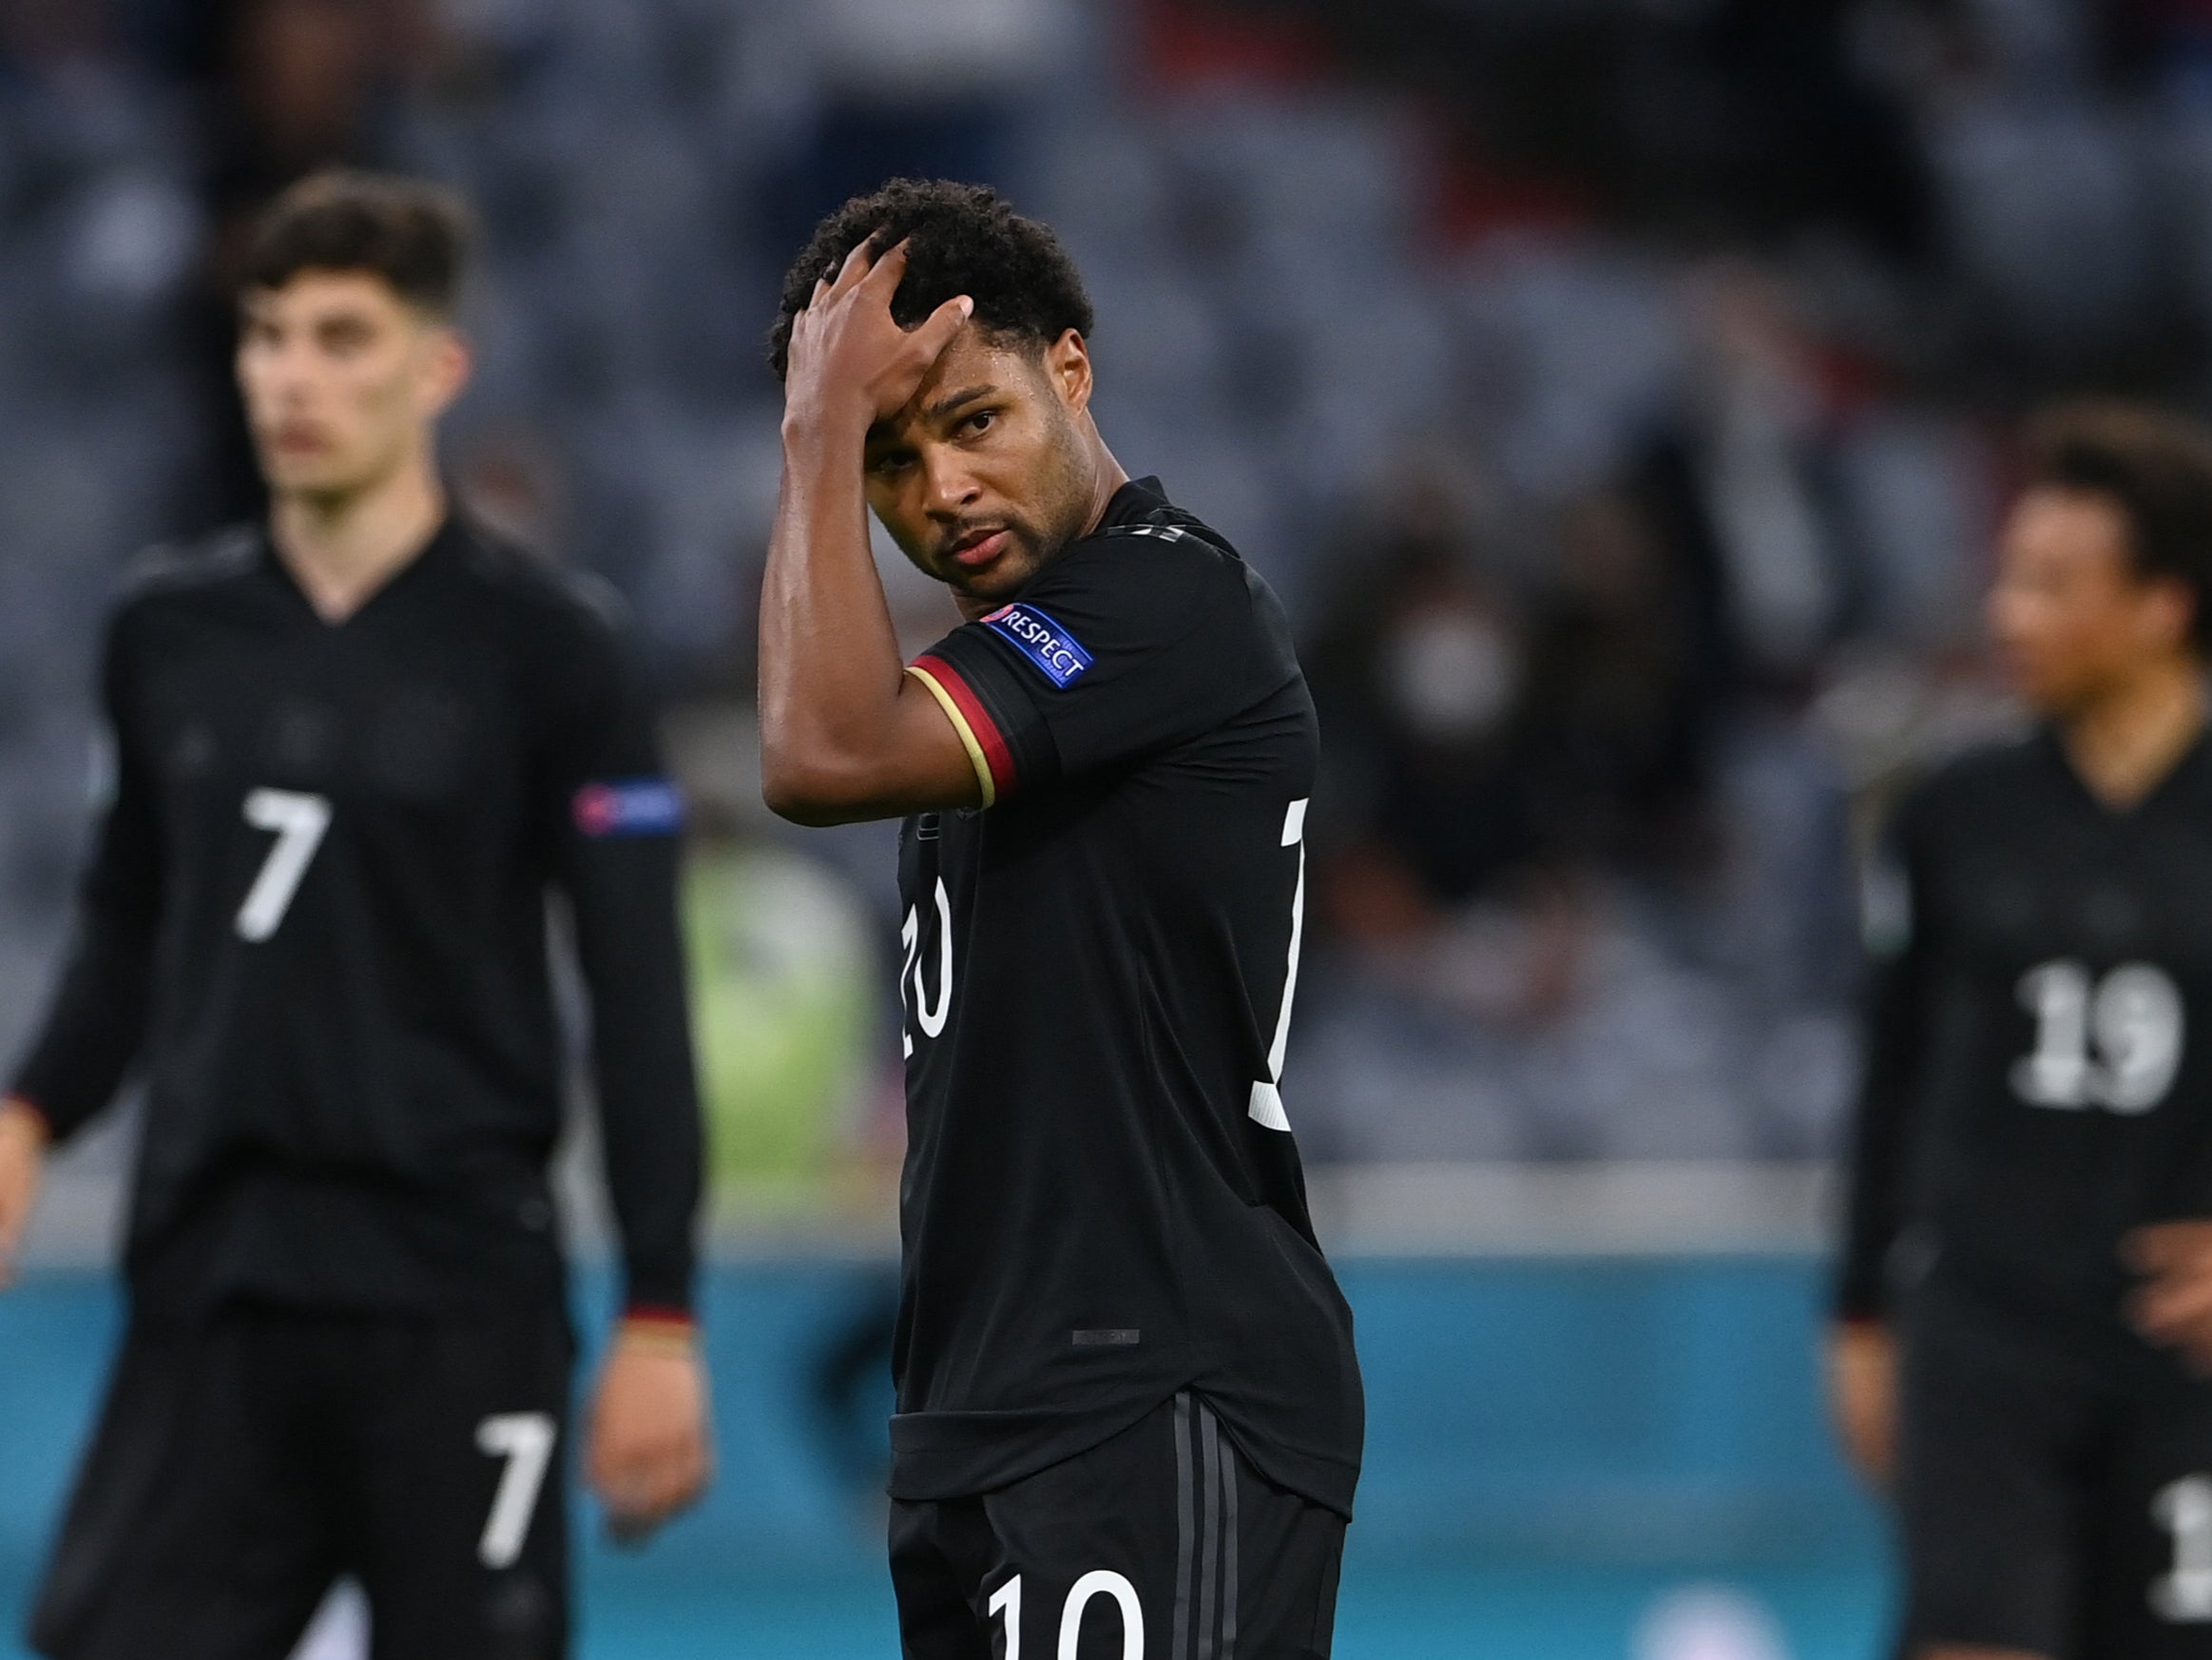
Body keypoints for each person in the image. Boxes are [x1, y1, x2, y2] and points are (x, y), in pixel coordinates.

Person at [0, 169, 711, 1660]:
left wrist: (658, 1309)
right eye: (268, 338)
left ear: (437, 366)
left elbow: (637, 990)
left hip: (454, 1286)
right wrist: (28, 1115)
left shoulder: (553, 652)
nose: (293, 380)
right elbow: (130, 922)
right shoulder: (167, 634)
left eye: (340, 338)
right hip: (216, 1278)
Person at [760, 178, 1363, 1659]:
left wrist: (818, 433)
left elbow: (817, 750)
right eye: (892, 459)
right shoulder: (1000, 704)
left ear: (1072, 371)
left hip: (1152, 1379)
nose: (941, 490)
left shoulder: (1166, 602)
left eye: (974, 421)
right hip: (986, 1405)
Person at [1832, 401, 2212, 1660]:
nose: (2008, 613)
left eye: (2053, 583)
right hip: (1991, 1332)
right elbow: (1889, 1075)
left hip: (2183, 1355)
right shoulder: (1959, 812)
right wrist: (1860, 1316)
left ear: (2164, 604)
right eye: (2009, 574)